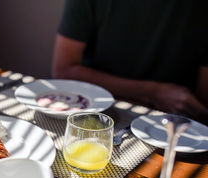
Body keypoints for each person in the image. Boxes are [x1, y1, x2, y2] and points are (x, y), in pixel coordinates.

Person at [52, 0, 208, 124]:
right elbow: (64, 70)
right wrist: (153, 93)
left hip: (172, 124)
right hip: (93, 114)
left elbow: (202, 103)